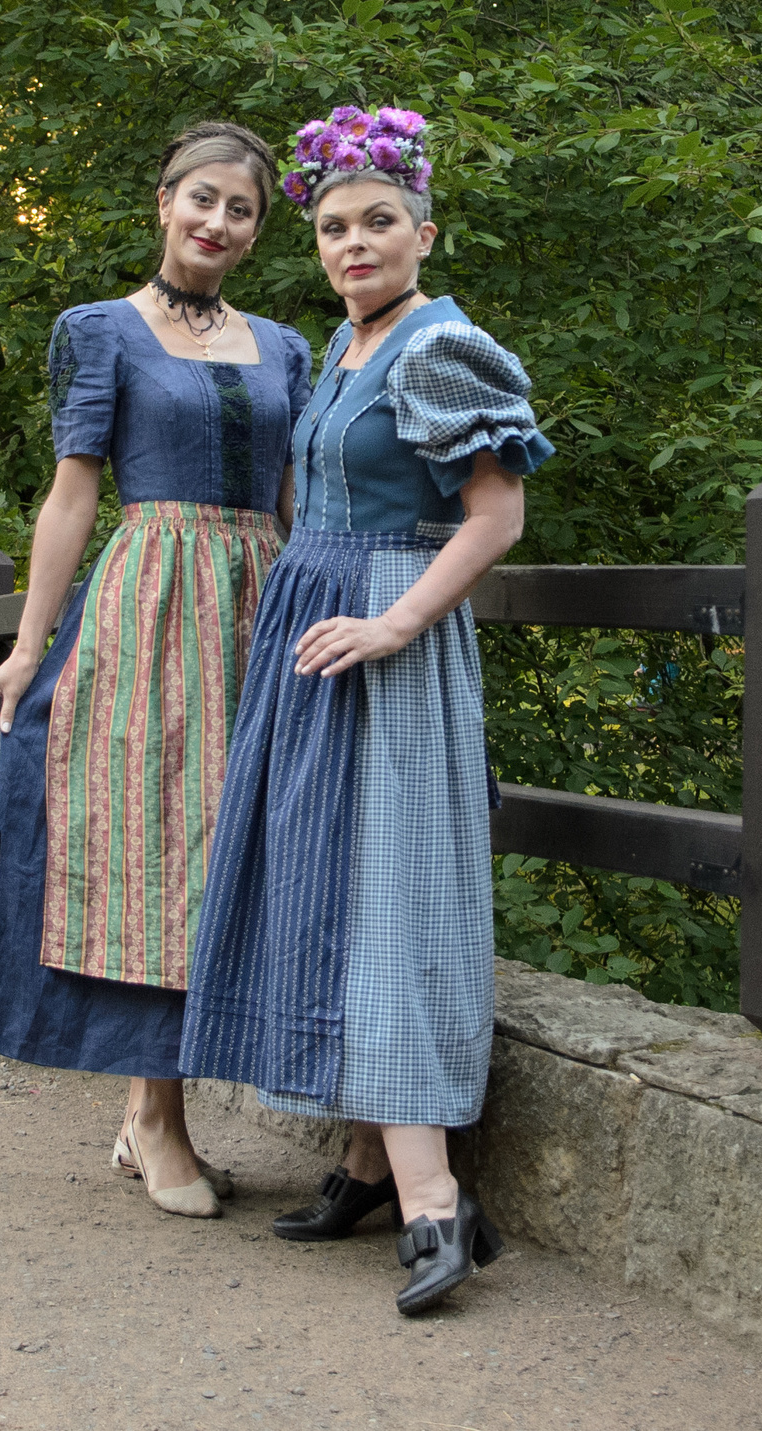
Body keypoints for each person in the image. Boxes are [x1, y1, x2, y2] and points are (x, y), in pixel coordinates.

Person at [181, 105, 553, 1313]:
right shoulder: (346, 345)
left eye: (378, 221)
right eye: (334, 226)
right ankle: (364, 1163)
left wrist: (395, 623)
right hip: (317, 628)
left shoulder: (444, 348)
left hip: (388, 638)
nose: (353, 242)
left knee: (387, 897)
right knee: (324, 882)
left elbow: (495, 516)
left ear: (423, 233)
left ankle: (436, 1198)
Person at [0, 121, 314, 1220]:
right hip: (152, 601)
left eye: (241, 209)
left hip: (261, 603)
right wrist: (25, 649)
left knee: (244, 845)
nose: (218, 222)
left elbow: (297, 504)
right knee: (160, 846)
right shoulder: (98, 331)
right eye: (202, 199)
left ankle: (151, 1110)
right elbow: (72, 496)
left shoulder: (287, 348)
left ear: (257, 230)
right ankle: (156, 1116)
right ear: (163, 202)